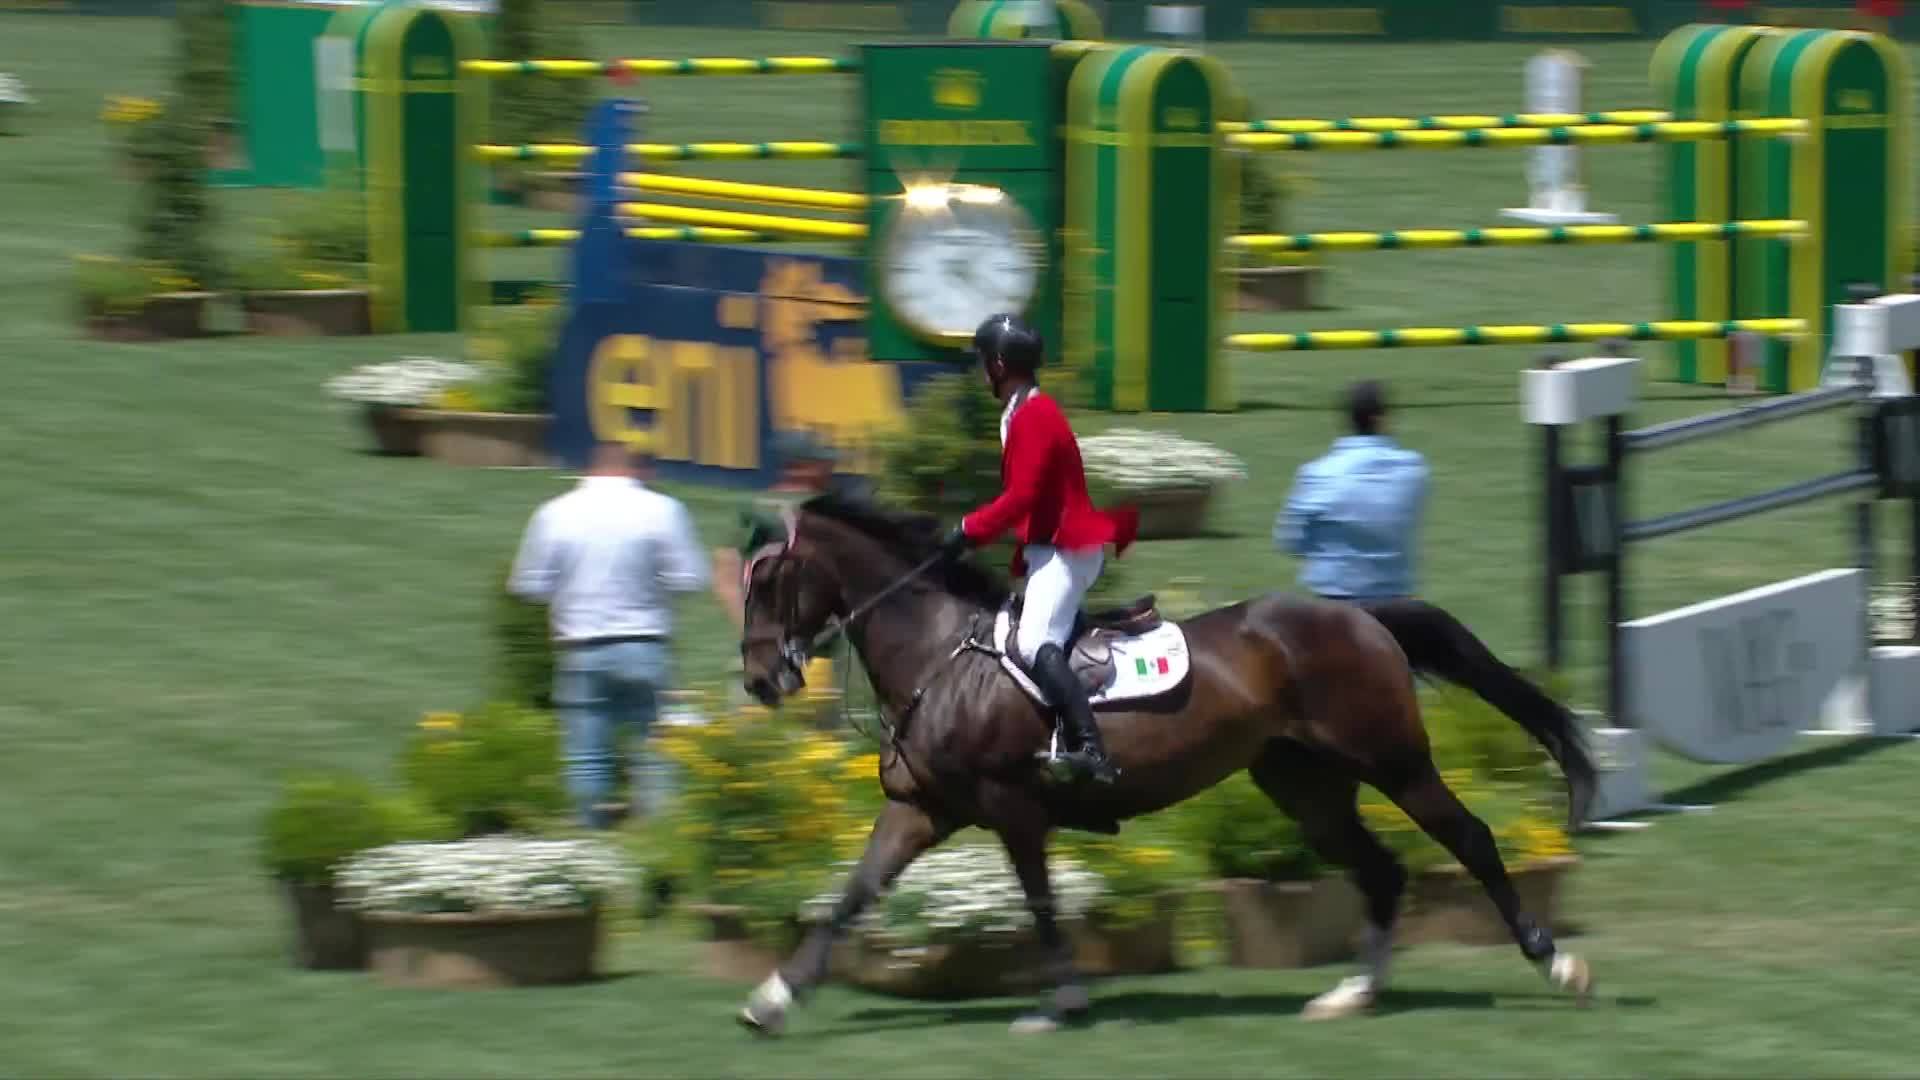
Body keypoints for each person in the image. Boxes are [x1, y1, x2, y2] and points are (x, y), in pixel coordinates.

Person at [939, 313, 1139, 784]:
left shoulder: (1035, 415)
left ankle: (1092, 751)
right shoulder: (1020, 411)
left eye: (985, 362)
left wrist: (969, 528)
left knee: (1033, 643)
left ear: (1000, 365)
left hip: (1067, 549)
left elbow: (1022, 496)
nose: (982, 370)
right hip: (1047, 548)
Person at [508, 441, 709, 829]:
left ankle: (592, 843)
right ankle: (659, 840)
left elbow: (528, 587)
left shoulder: (554, 513)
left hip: (581, 648)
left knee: (587, 755)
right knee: (656, 750)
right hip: (645, 643)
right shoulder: (662, 510)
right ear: (639, 470)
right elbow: (690, 579)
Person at [1274, 379, 1430, 603]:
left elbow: (1289, 541)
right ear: (1381, 420)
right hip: (1398, 601)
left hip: (1335, 603)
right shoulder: (1413, 468)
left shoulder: (1318, 472)